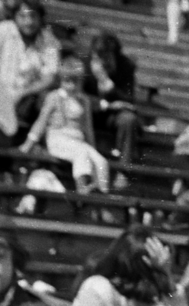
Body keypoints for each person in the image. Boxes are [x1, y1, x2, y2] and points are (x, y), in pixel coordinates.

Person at [21, 52, 106, 190]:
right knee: (81, 154)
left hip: (78, 141)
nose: (72, 86)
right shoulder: (54, 97)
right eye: (67, 81)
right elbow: (41, 122)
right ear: (61, 81)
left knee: (100, 161)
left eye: (76, 82)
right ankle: (82, 188)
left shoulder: (84, 101)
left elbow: (88, 128)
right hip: (58, 139)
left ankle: (102, 193)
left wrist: (93, 148)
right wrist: (28, 144)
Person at [0, 2, 59, 144]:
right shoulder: (4, 30)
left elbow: (50, 77)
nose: (29, 22)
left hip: (26, 99)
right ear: (15, 17)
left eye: (33, 16)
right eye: (23, 16)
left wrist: (22, 93)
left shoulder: (49, 41)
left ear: (40, 18)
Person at [87, 31, 139, 170]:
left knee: (129, 119)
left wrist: (110, 87)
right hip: (90, 111)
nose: (103, 62)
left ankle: (124, 168)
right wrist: (106, 105)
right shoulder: (85, 64)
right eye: (100, 57)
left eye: (107, 56)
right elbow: (80, 95)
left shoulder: (125, 66)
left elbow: (129, 99)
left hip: (114, 116)